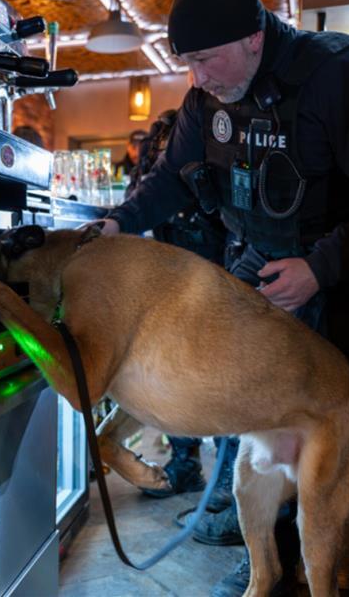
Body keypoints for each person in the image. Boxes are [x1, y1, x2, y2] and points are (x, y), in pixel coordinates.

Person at [100, 0, 349, 596]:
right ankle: (265, 559)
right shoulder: (207, 98)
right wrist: (118, 222)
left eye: (207, 61)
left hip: (330, 282)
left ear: (254, 39)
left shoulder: (337, 77)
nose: (196, 79)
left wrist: (319, 268)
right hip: (250, 270)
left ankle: (303, 568)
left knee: (298, 430)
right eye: (188, 64)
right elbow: (171, 178)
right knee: (237, 408)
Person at [122, 109, 235, 505]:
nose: (167, 158)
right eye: (160, 153)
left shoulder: (212, 187)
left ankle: (226, 476)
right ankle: (186, 463)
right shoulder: (151, 193)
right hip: (173, 301)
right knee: (173, 383)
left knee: (220, 386)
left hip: (218, 297)